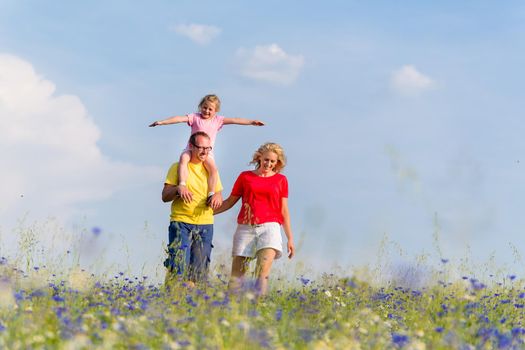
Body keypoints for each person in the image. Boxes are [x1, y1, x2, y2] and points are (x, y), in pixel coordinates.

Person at [150, 94, 264, 204]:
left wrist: (251, 122)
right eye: (204, 108)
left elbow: (236, 120)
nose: (207, 111)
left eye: (210, 109)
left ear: (215, 111)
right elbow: (178, 118)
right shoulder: (195, 117)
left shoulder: (218, 120)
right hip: (192, 149)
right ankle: (182, 184)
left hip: (207, 152)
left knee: (213, 170)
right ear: (201, 107)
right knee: (183, 159)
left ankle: (211, 193)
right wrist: (162, 122)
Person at [215, 142, 295, 295]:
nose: (269, 164)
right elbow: (230, 202)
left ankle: (258, 309)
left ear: (277, 162)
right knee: (237, 275)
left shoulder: (281, 180)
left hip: (270, 228)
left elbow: (284, 210)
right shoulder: (245, 177)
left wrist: (290, 238)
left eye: (273, 161)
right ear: (260, 157)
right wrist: (207, 213)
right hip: (246, 228)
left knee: (261, 273)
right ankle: (231, 307)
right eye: (266, 160)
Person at [162, 131, 223, 286]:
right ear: (191, 146)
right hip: (181, 222)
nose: (204, 152)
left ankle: (194, 305)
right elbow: (165, 196)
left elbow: (219, 194)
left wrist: (217, 197)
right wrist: (178, 189)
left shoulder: (211, 170)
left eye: (208, 148)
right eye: (201, 147)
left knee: (199, 272)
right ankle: (171, 300)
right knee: (178, 265)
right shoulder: (178, 167)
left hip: (205, 224)